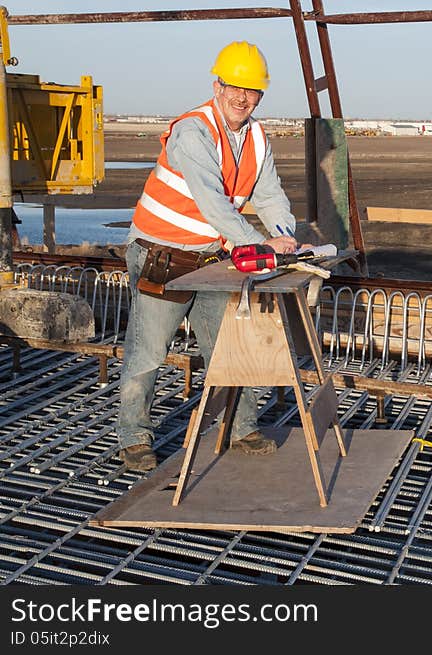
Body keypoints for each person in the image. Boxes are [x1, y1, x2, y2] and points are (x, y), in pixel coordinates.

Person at [116, 41, 307, 471]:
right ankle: (134, 438)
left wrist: (285, 237)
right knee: (148, 351)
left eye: (252, 91)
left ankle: (239, 428)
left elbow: (271, 195)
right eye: (234, 87)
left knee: (229, 349)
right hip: (160, 256)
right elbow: (213, 203)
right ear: (217, 85)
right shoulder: (193, 131)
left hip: (211, 260)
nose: (242, 98)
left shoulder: (256, 137)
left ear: (261, 95)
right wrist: (256, 246)